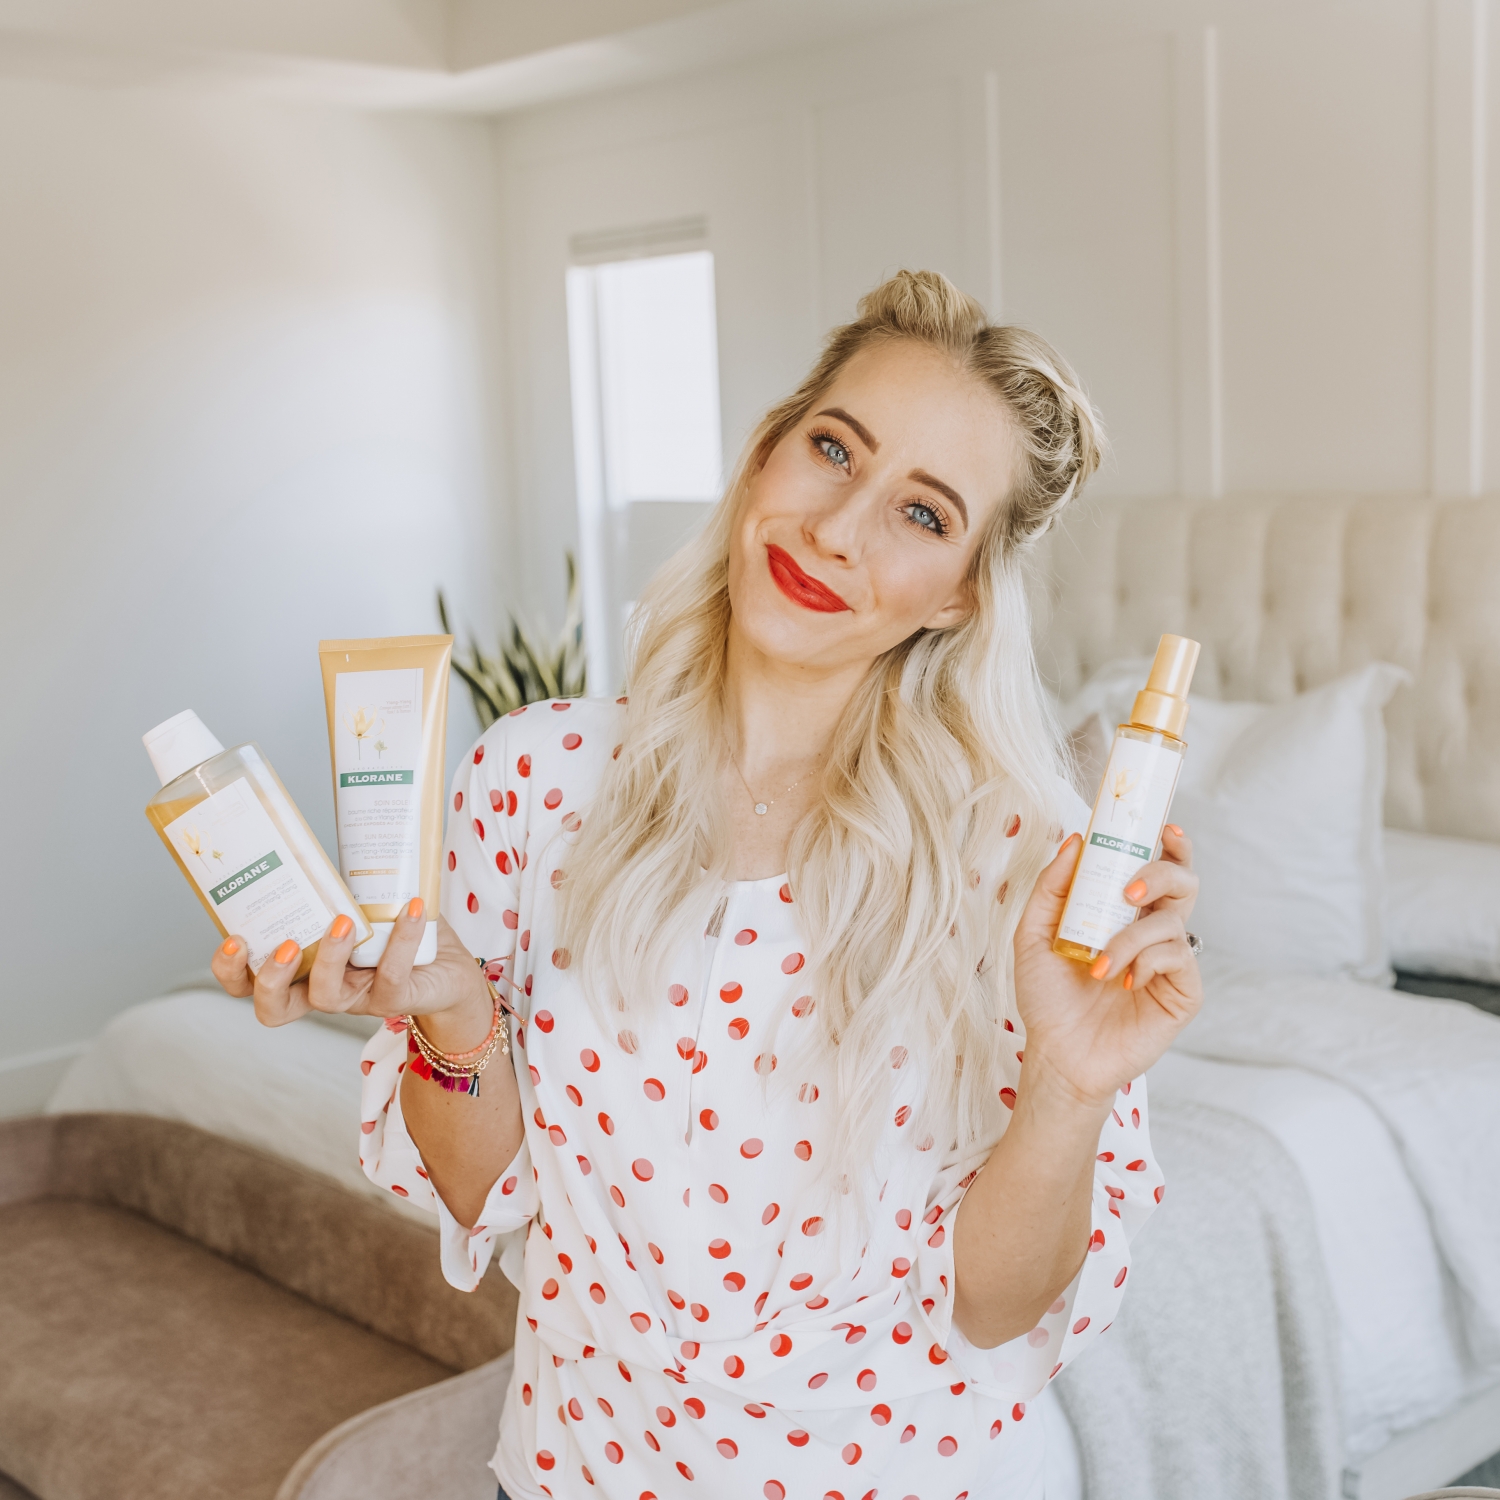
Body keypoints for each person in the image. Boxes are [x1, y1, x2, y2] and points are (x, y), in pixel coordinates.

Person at [213, 269, 1202, 1500]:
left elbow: (994, 1308)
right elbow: (481, 1187)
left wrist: (1067, 1086)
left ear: (961, 592)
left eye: (922, 513)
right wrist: (455, 1018)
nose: (838, 529)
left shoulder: (1027, 857)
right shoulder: (535, 778)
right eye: (833, 449)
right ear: (764, 452)